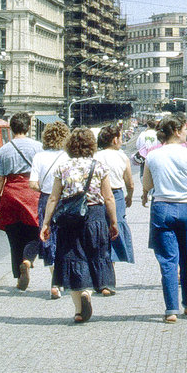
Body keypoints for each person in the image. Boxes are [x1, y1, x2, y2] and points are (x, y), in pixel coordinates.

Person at [40, 127, 118, 324]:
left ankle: (79, 306)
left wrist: (46, 223)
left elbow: (53, 198)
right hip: (95, 216)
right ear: (91, 145)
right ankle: (93, 289)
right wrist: (114, 222)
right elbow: (109, 197)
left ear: (70, 146)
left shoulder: (63, 168)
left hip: (70, 218)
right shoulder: (99, 166)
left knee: (74, 258)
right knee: (95, 254)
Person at [142, 116, 187, 323]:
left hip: (162, 208)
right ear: (175, 130)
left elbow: (147, 184)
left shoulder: (153, 156)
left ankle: (171, 310)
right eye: (184, 129)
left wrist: (144, 193)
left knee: (167, 261)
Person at [0, 111, 42, 291]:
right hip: (32, 192)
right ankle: (27, 260)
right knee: (36, 231)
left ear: (11, 129)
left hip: (11, 194)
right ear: (28, 127)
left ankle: (19, 276)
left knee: (14, 236)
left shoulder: (4, 149)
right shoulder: (38, 147)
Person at [28, 121, 69, 298]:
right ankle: (64, 279)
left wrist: (45, 189)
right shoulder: (68, 157)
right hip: (66, 201)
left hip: (46, 200)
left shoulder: (39, 157)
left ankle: (55, 281)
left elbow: (32, 183)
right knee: (65, 239)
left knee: (48, 238)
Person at [94, 124, 135, 273]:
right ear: (114, 140)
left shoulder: (95, 156)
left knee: (99, 233)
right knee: (114, 230)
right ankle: (110, 269)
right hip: (116, 195)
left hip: (97, 197)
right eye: (120, 137)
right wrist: (129, 197)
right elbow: (130, 183)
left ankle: (100, 270)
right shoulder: (122, 157)